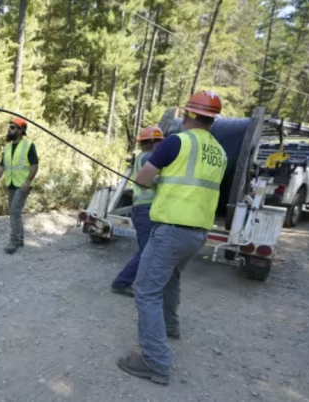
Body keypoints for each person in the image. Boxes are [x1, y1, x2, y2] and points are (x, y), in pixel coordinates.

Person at [116, 90, 227, 385]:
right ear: (212, 121)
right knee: (171, 280)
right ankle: (170, 327)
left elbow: (142, 179)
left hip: (172, 230)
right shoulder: (220, 151)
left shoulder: (176, 141)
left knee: (146, 290)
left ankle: (154, 362)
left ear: (189, 114)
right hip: (198, 233)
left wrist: (159, 181)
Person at [111, 126, 164, 297]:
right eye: (159, 142)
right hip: (145, 209)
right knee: (147, 250)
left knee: (148, 249)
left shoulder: (142, 157)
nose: (160, 145)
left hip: (143, 209)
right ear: (152, 143)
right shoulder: (149, 157)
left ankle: (133, 281)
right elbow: (154, 180)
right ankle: (121, 282)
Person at [0, 117, 39, 254]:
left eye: (12, 127)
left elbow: (35, 165)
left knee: (14, 212)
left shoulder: (29, 145)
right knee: (15, 212)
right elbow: (2, 166)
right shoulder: (7, 147)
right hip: (11, 183)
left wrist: (28, 181)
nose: (9, 129)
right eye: (9, 127)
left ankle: (14, 241)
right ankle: (21, 239)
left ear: (20, 131)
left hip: (23, 184)